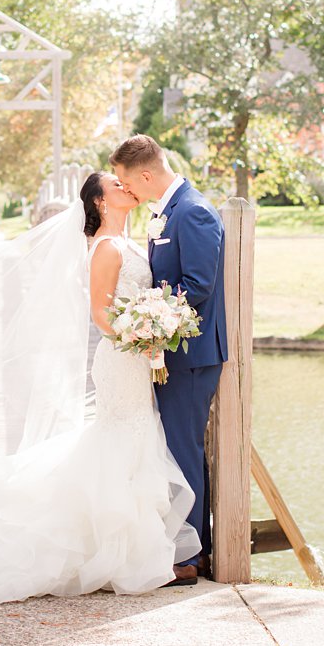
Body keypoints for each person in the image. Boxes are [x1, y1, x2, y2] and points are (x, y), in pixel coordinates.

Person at [0, 171, 202, 604]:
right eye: (116, 186)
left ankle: (129, 549)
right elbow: (100, 313)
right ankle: (119, 553)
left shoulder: (130, 241)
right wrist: (140, 334)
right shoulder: (107, 248)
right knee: (124, 436)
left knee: (132, 439)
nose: (126, 188)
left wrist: (151, 328)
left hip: (136, 359)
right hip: (121, 358)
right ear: (98, 203)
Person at [109, 134, 227, 582]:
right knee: (176, 450)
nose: (129, 192)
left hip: (192, 356)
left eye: (127, 182)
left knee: (183, 450)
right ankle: (189, 545)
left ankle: (192, 556)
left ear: (144, 174)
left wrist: (148, 315)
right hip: (172, 351)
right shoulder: (169, 211)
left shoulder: (193, 212)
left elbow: (197, 287)